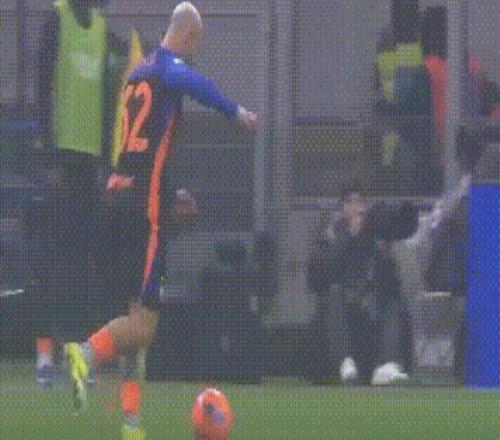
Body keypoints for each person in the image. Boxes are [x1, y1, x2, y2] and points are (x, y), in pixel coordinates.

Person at [64, 3, 257, 439]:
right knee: (145, 327)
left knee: (132, 323)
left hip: (115, 198)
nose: (193, 54)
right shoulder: (169, 67)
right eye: (195, 45)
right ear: (187, 36)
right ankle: (84, 355)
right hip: (142, 212)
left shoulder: (137, 73)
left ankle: (131, 426)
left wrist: (170, 193)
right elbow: (194, 84)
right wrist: (236, 112)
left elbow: (139, 146)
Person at [32, 0, 126, 386]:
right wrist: (47, 153)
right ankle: (45, 356)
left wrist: (108, 160)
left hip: (89, 164)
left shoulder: (102, 30)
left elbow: (110, 95)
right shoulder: (56, 20)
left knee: (85, 262)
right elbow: (42, 88)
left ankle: (80, 355)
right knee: (55, 261)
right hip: (61, 159)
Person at [308, 191, 411, 385]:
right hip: (342, 311)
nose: (359, 209)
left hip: (370, 312)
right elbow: (317, 278)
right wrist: (348, 238)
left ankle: (387, 363)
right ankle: (344, 362)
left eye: (362, 203)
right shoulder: (331, 233)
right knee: (334, 293)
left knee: (394, 299)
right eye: (353, 202)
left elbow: (391, 283)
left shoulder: (374, 236)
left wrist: (384, 252)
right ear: (342, 207)